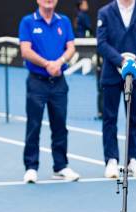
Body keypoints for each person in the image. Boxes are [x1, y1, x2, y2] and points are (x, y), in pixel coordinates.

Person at [18, 0, 80, 183]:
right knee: (34, 125)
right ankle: (31, 167)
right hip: (37, 82)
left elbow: (71, 47)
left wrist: (59, 63)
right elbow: (25, 51)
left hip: (59, 82)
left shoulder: (64, 21)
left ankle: (61, 166)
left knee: (60, 125)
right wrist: (47, 64)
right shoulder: (28, 21)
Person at [97, 0, 136, 178]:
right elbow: (102, 42)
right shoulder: (105, 12)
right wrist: (121, 61)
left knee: (134, 119)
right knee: (110, 118)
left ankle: (133, 159)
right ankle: (111, 160)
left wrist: (135, 62)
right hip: (112, 75)